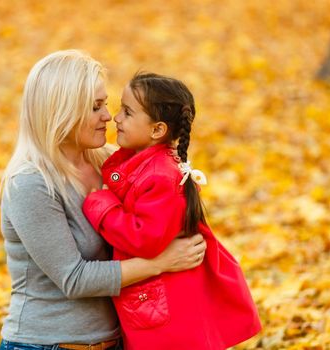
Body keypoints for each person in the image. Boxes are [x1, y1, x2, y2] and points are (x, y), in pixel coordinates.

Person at [0, 51, 208, 350]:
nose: (108, 116)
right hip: (45, 344)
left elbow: (156, 213)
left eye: (105, 104)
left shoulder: (110, 162)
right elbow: (74, 279)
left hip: (119, 341)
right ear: (61, 111)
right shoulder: (30, 183)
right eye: (96, 107)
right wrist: (162, 262)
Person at [82, 72, 262, 350]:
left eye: (127, 112)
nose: (115, 118)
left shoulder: (160, 176)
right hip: (154, 301)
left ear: (157, 130)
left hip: (163, 312)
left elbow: (144, 239)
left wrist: (102, 207)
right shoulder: (146, 163)